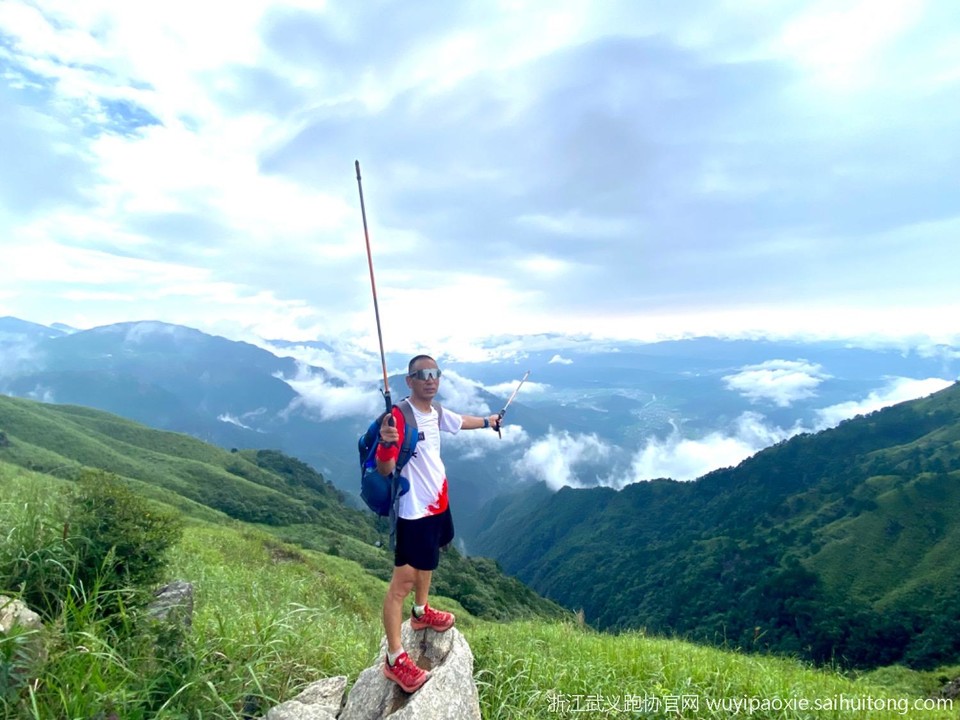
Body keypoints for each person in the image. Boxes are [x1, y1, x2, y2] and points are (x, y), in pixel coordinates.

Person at [375, 354, 501, 693]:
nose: (430, 379)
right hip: (414, 512)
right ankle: (394, 658)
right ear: (410, 380)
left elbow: (461, 421)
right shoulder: (399, 417)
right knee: (401, 583)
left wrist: (489, 422)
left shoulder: (435, 413)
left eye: (435, 373)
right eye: (422, 374)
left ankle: (420, 612)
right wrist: (386, 443)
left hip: (438, 504)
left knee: (429, 561)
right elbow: (385, 469)